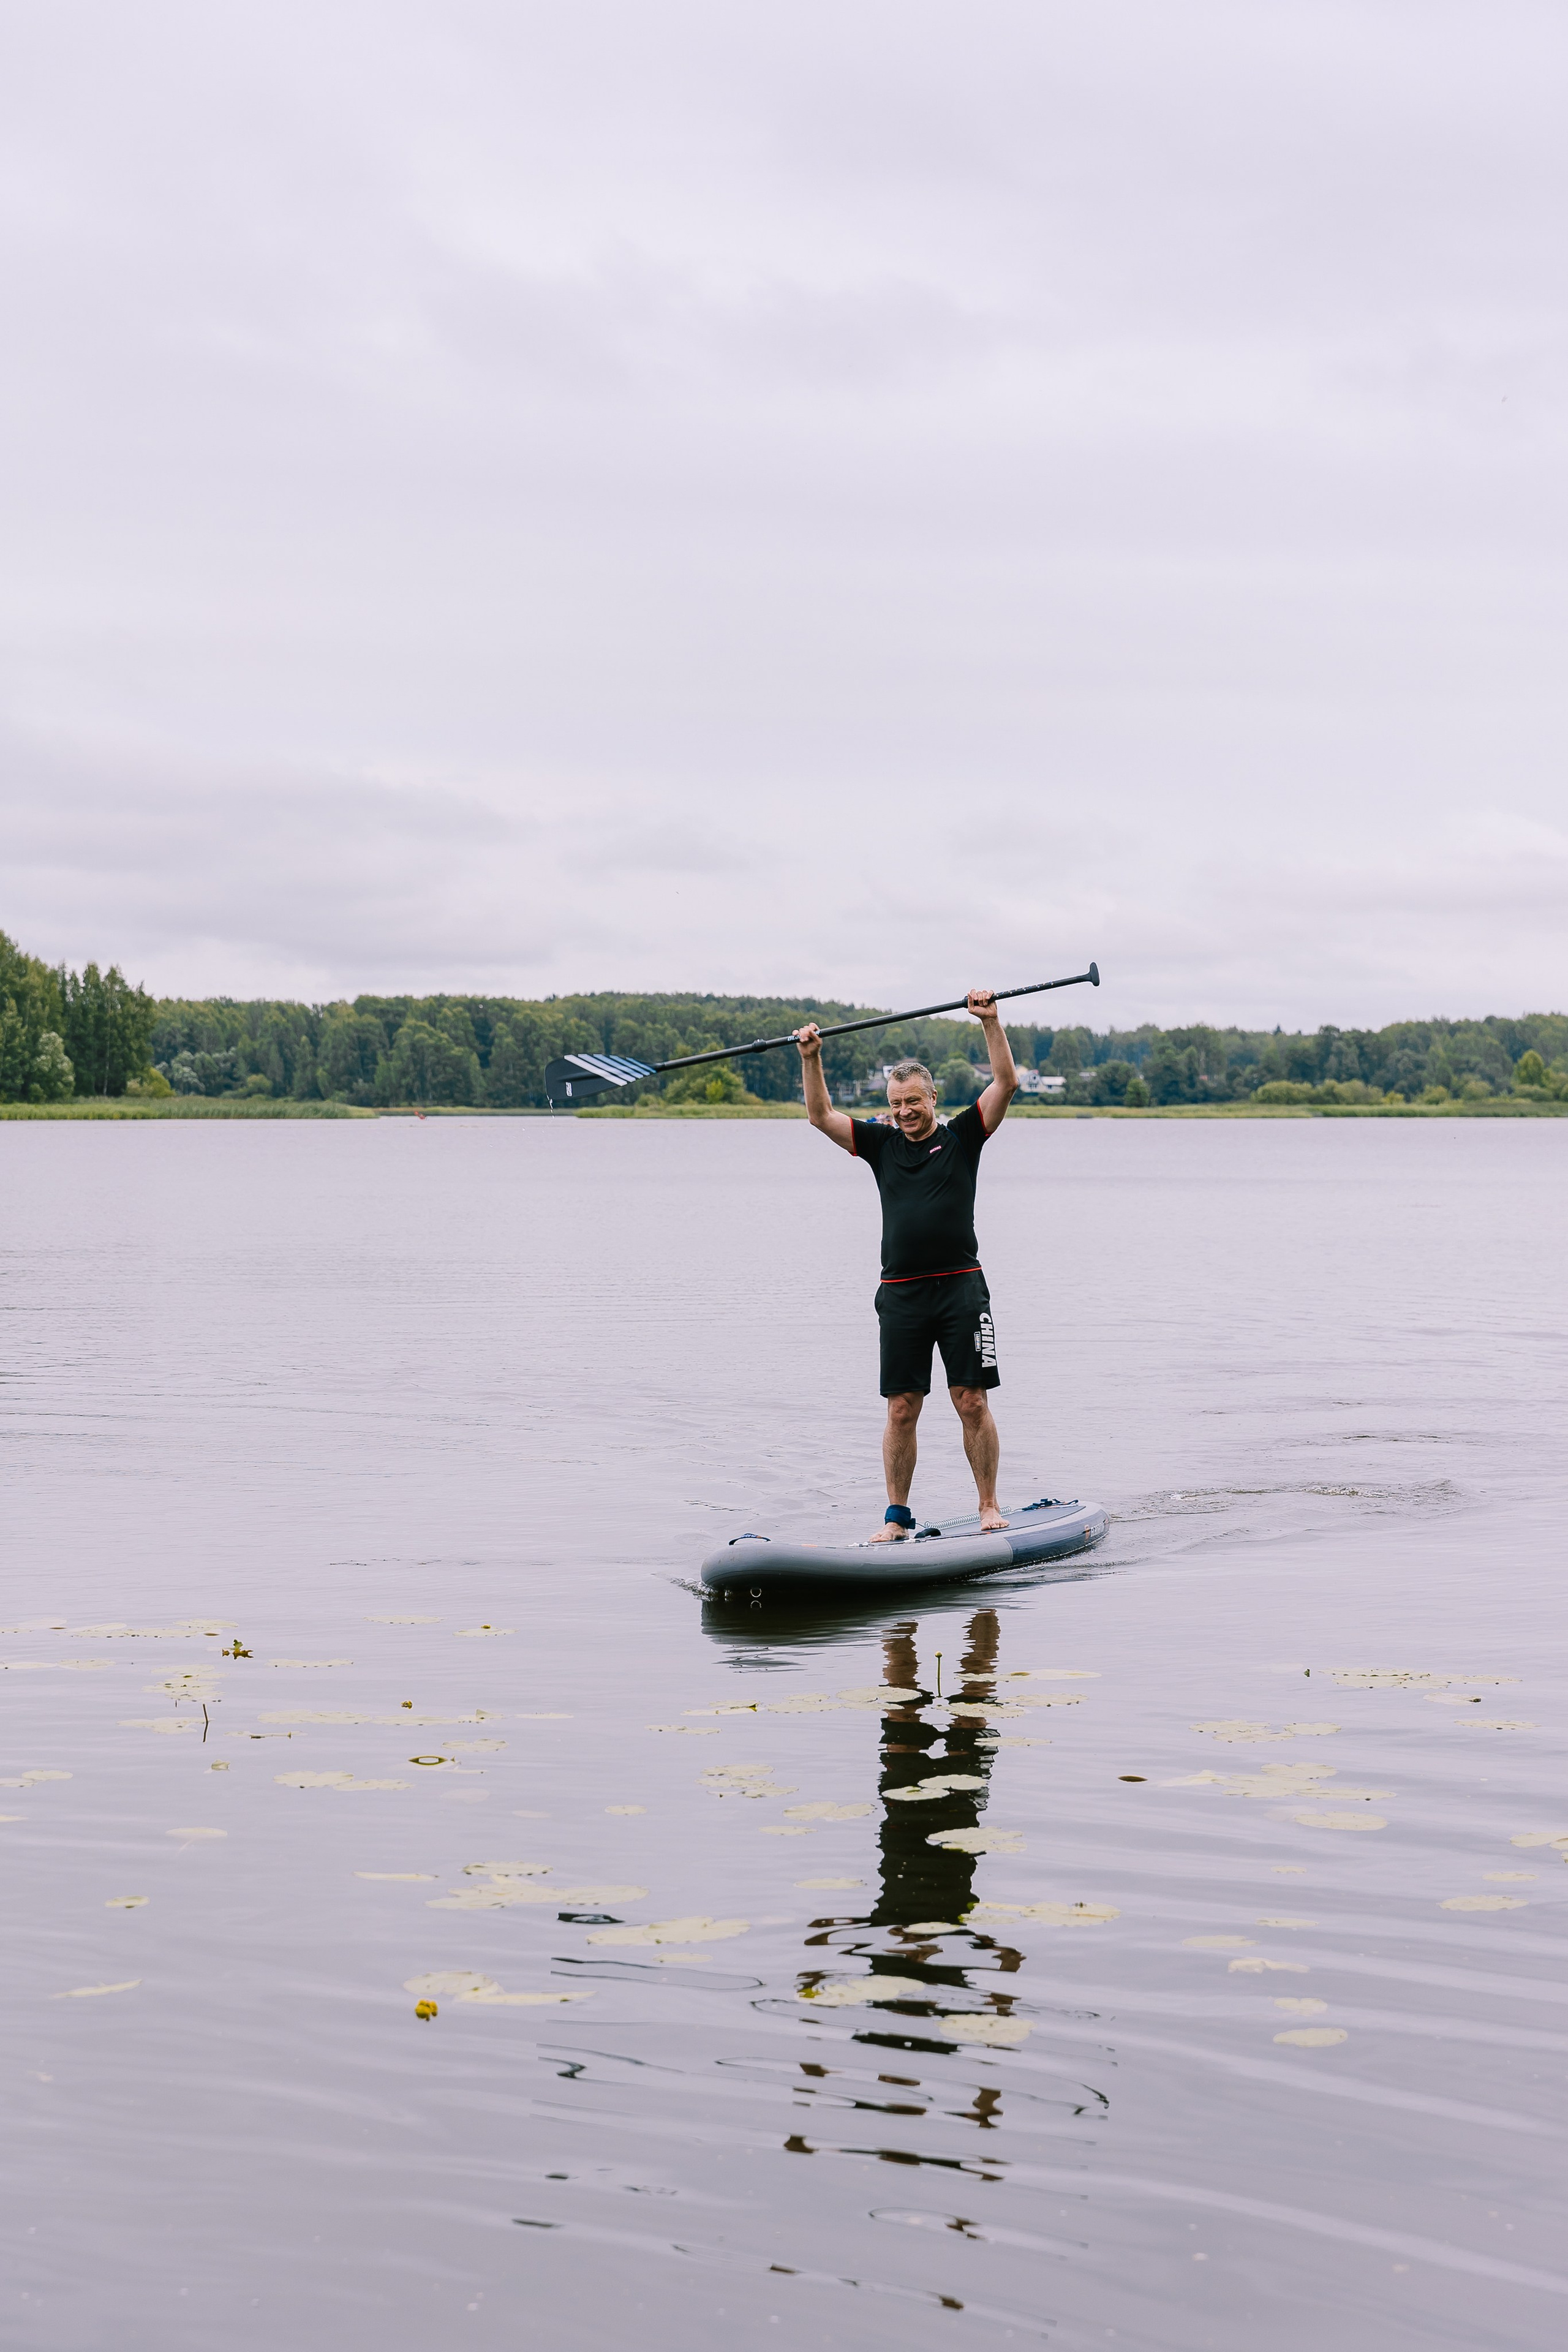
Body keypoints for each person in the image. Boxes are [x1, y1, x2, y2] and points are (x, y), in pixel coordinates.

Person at [794, 991, 1016, 1540]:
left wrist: (989, 1021)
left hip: (962, 1290)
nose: (903, 1112)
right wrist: (811, 1057)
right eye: (896, 1103)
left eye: (913, 1102)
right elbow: (820, 1115)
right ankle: (896, 1518)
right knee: (901, 1409)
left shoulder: (964, 1137)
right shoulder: (879, 1144)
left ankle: (988, 1506)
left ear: (932, 1098)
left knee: (971, 1401)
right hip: (901, 1295)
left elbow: (1006, 1083)